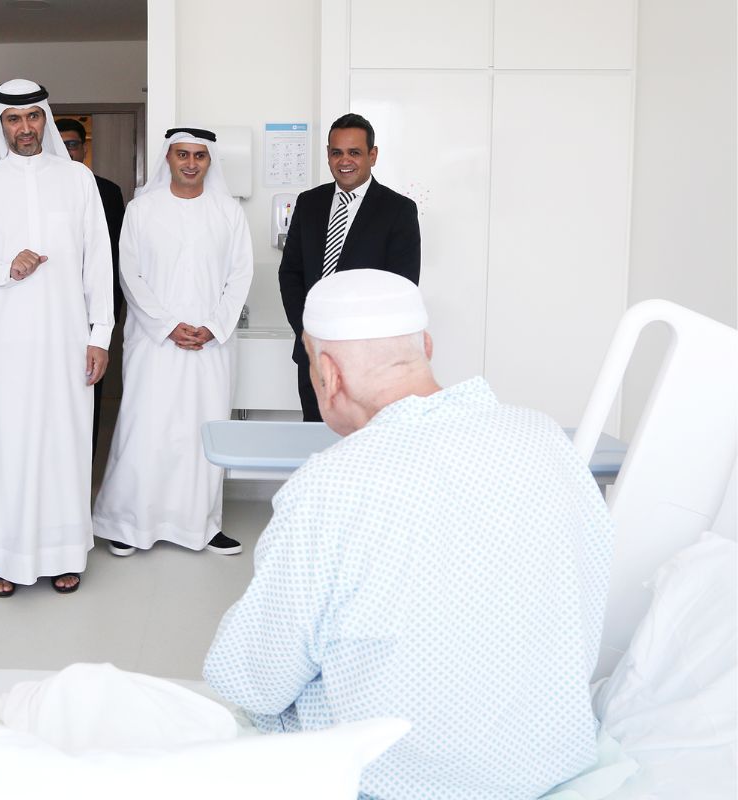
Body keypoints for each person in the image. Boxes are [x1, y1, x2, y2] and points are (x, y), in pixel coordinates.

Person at [204, 270, 614, 799]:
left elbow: (252, 678)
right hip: (548, 765)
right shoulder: (544, 439)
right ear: (426, 346)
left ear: (327, 374)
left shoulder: (331, 486)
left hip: (392, 784)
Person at [0, 79, 113, 598]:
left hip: (67, 339)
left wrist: (100, 336)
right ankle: (5, 557)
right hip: (4, 344)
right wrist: (5, 268)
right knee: (8, 444)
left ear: (45, 119)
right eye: (14, 119)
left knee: (64, 444)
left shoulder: (78, 180)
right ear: (0, 124)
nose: (25, 128)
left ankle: (64, 554)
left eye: (34, 117)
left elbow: (99, 263)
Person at [92, 128, 253, 558]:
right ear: (168, 158)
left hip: (211, 345)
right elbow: (129, 274)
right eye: (183, 154)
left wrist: (214, 326)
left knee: (204, 430)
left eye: (199, 156)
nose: (191, 163)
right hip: (154, 343)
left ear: (209, 161)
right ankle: (128, 523)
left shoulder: (228, 211)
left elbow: (240, 275)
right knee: (146, 429)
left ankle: (203, 524)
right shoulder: (141, 210)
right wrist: (166, 325)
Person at [278, 113, 421, 422]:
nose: (344, 161)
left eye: (354, 152)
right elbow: (290, 273)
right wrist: (307, 332)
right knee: (315, 440)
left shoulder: (398, 211)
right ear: (328, 154)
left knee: (365, 444)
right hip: (314, 358)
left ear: (373, 155)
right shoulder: (309, 203)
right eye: (336, 152)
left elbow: (402, 289)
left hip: (370, 363)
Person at [55, 118, 126, 456]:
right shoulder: (38, 189)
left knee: (88, 388)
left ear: (84, 149)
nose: (67, 151)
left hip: (92, 310)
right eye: (60, 144)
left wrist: (108, 315)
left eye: (72, 144)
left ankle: (84, 467)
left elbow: (114, 256)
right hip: (50, 309)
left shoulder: (107, 191)